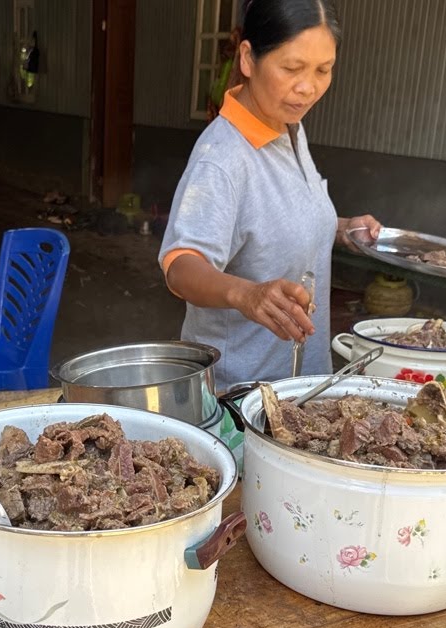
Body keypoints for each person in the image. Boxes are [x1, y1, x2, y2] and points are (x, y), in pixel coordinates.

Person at [158, 0, 381, 389]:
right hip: (239, 397)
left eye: (323, 70)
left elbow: (274, 221)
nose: (308, 87)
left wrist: (342, 228)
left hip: (298, 385)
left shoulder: (288, 127)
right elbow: (180, 264)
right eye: (291, 68)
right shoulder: (223, 159)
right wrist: (246, 294)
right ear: (248, 58)